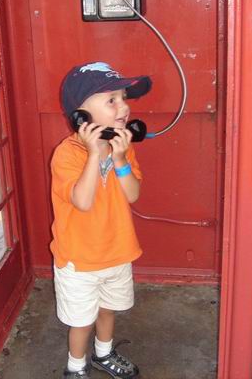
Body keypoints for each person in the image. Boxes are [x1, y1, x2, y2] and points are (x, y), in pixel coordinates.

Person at [51, 61, 152, 379]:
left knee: (108, 310)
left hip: (117, 251)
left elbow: (132, 194)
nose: (124, 107)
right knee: (82, 321)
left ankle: (104, 353)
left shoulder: (123, 147)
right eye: (112, 100)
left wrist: (119, 158)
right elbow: (82, 201)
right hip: (79, 260)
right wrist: (94, 154)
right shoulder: (67, 155)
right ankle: (75, 367)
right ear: (80, 116)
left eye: (124, 98)